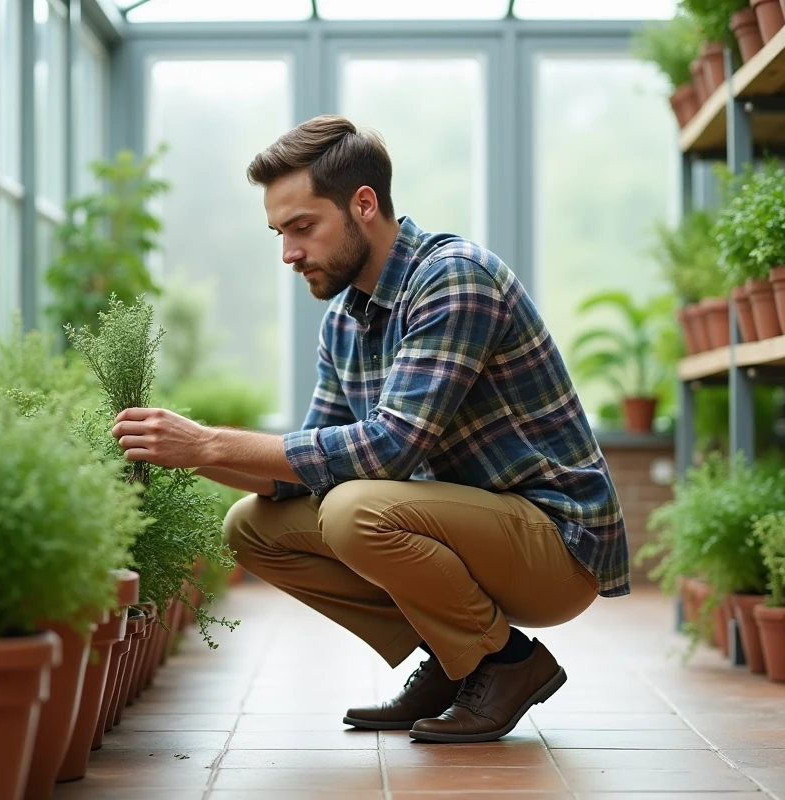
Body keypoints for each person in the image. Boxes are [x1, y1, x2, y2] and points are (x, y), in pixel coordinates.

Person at [111, 114, 628, 744]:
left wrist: (211, 440)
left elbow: (388, 448)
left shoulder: (452, 277)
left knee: (355, 508)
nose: (288, 253)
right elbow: (301, 473)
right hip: (472, 530)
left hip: (556, 543)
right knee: (252, 527)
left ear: (364, 205)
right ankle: (455, 659)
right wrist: (180, 452)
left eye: (303, 228)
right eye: (278, 232)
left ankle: (505, 664)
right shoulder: (345, 320)